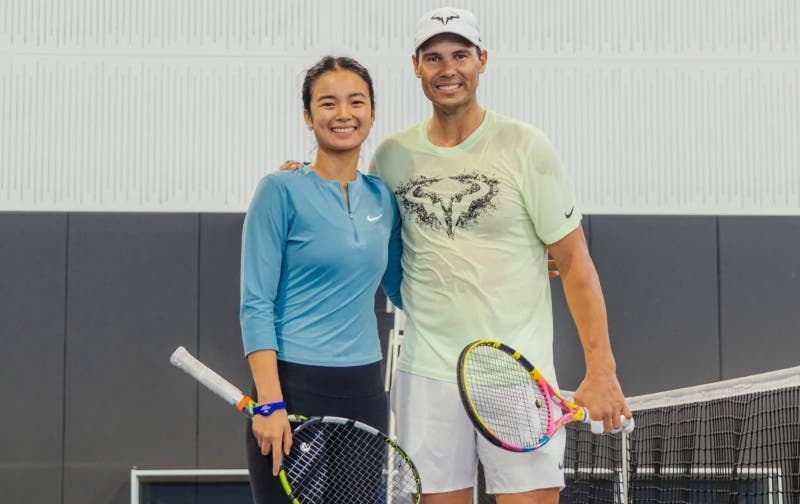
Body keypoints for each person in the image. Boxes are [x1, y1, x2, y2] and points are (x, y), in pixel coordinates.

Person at [365, 7, 632, 504]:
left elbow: (574, 263)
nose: (448, 69)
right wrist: (306, 175)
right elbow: (363, 234)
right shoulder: (390, 158)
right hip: (427, 375)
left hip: (517, 374)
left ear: (481, 61)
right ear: (416, 66)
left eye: (460, 55)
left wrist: (602, 371)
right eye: (434, 57)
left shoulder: (526, 147)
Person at [239, 55, 402, 503]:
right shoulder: (279, 190)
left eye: (356, 102)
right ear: (309, 117)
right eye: (328, 104)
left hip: (365, 390)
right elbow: (255, 303)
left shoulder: (382, 199)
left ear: (372, 112)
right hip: (293, 388)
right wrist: (271, 402)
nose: (343, 114)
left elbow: (405, 285)